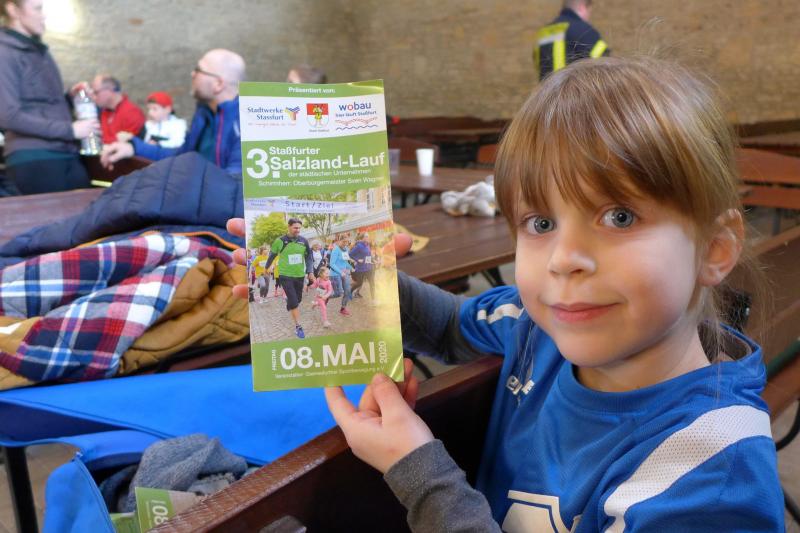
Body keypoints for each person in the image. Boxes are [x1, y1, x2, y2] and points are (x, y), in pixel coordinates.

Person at [229, 55, 786, 530]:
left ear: (715, 249)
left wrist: (422, 474)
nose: (564, 258)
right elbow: (449, 326)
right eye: (540, 223)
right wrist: (363, 277)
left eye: (619, 216)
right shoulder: (536, 325)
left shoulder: (711, 476)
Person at [0, 0, 97, 195]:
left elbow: (42, 103)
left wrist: (70, 97)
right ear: (13, 9)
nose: (43, 15)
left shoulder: (40, 51)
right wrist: (70, 130)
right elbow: (8, 116)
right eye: (38, 8)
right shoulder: (4, 52)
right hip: (34, 157)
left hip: (65, 151)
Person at [101, 48, 245, 174]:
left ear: (218, 84)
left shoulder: (247, 123)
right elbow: (182, 156)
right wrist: (133, 147)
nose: (192, 74)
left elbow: (234, 184)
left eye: (198, 70)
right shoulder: (205, 114)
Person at [264, 218, 315, 339]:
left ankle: (291, 303)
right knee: (294, 301)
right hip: (285, 275)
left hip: (299, 275)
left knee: (298, 299)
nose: (298, 230)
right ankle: (298, 326)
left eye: (299, 228)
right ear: (289, 227)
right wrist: (267, 267)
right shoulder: (280, 241)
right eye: (295, 228)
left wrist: (310, 271)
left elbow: (308, 257)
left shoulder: (303, 241)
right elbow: (272, 255)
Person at [534, 0, 609, 81]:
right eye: (589, 12)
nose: (588, 16)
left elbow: (538, 64)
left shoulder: (544, 33)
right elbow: (604, 66)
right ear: (582, 8)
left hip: (549, 88)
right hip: (577, 88)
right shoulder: (584, 30)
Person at [88, 74, 145, 144]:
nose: (93, 97)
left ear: (110, 90)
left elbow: (130, 146)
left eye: (96, 93)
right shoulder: (104, 111)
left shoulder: (132, 113)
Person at [328, 235, 354, 317]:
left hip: (344, 273)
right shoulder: (335, 250)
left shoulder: (346, 249)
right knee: (338, 293)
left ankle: (343, 308)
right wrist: (340, 272)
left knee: (347, 291)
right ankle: (326, 297)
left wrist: (351, 268)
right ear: (339, 241)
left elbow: (345, 262)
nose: (345, 243)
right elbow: (332, 264)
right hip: (335, 274)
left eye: (347, 242)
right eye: (344, 241)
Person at [349, 233, 375, 302]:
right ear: (362, 238)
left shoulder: (368, 245)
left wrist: (373, 260)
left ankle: (373, 299)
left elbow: (369, 255)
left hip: (368, 267)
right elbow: (350, 254)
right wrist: (357, 260)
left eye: (368, 236)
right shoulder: (359, 246)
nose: (368, 238)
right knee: (359, 283)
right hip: (360, 268)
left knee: (372, 283)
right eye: (366, 236)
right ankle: (350, 292)